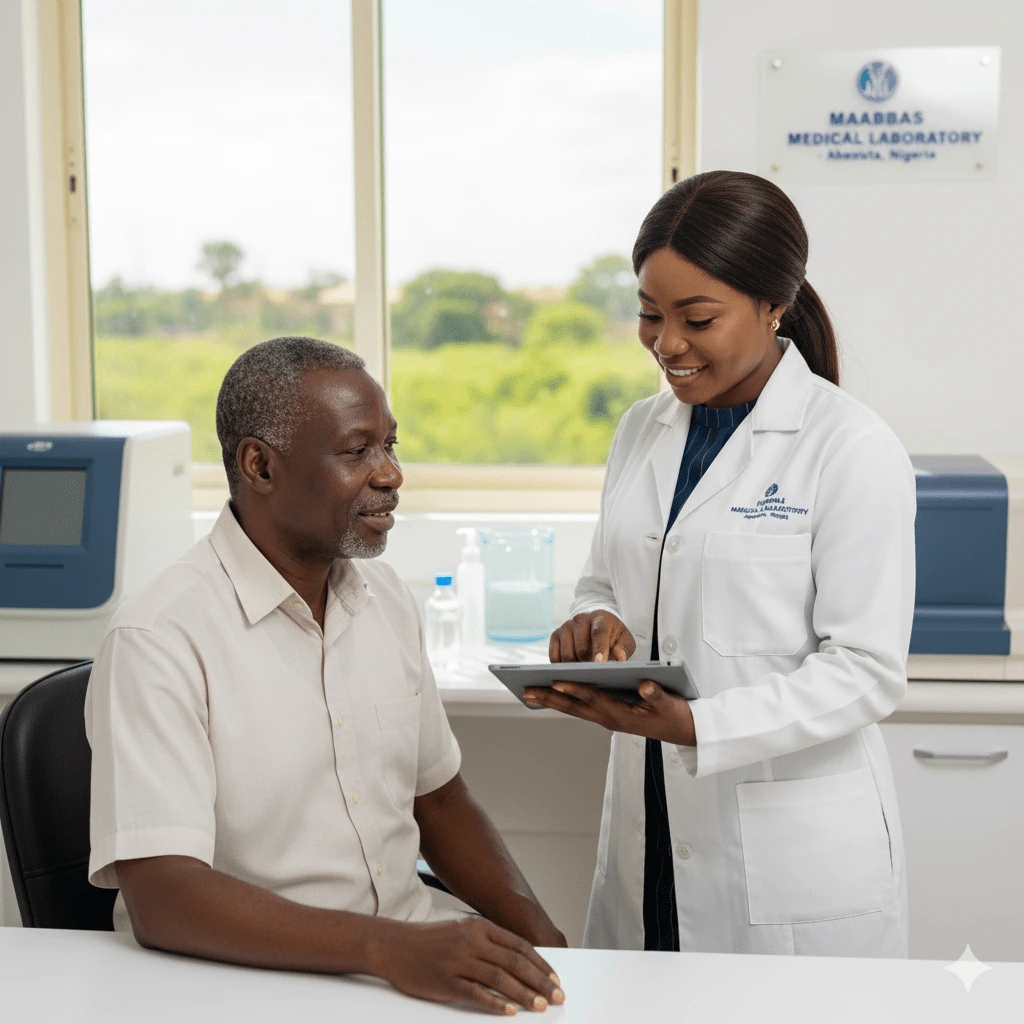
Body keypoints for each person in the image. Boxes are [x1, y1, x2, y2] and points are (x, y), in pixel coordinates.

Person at [86, 337, 566, 1016]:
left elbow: (440, 800)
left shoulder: (386, 598)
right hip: (246, 986)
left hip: (401, 967)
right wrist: (388, 949)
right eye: (356, 450)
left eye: (391, 446)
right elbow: (164, 895)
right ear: (260, 465)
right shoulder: (160, 636)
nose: (390, 473)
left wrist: (545, 942)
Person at [524, 170, 914, 958]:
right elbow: (610, 580)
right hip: (652, 836)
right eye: (648, 315)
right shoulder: (641, 430)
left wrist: (700, 724)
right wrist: (597, 626)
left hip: (787, 864)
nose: (667, 344)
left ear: (775, 305)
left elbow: (868, 669)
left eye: (697, 318)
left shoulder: (850, 446)